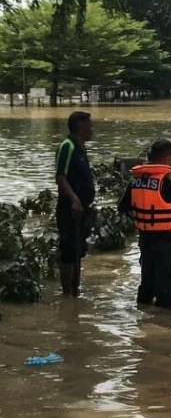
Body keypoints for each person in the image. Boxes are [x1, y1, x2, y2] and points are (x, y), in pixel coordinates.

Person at [118, 139, 171, 309]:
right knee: (167, 281)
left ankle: (143, 316)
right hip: (167, 237)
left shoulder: (136, 179)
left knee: (147, 279)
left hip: (145, 236)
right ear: (166, 158)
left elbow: (122, 206)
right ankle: (165, 324)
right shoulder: (168, 178)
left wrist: (141, 217)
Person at [55, 111, 95, 297]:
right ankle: (67, 294)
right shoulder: (67, 146)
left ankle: (75, 291)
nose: (92, 129)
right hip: (69, 208)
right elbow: (61, 178)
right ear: (80, 127)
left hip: (82, 209)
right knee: (68, 250)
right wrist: (74, 199)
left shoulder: (81, 147)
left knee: (78, 249)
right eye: (89, 126)